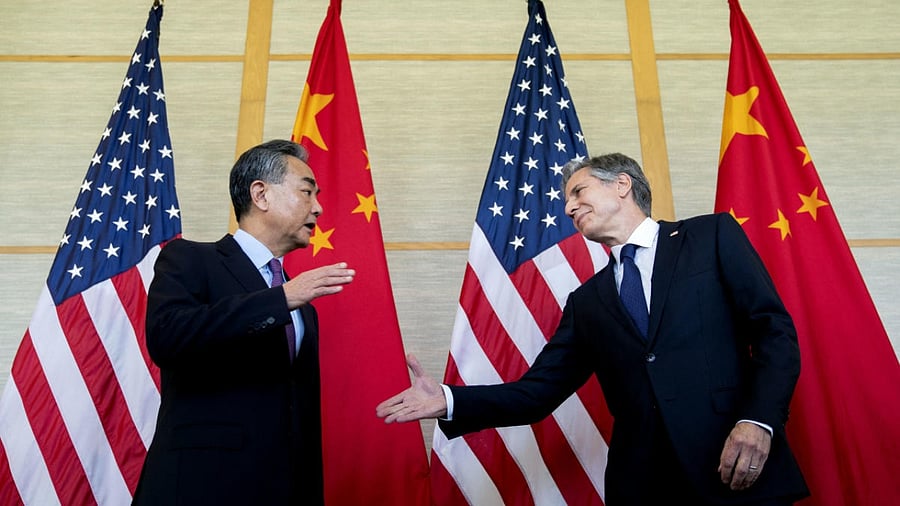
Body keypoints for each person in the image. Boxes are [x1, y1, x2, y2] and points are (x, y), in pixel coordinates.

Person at [377, 153, 810, 505]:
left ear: (622, 184)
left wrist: (759, 421)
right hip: (644, 486)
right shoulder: (586, 303)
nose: (568, 208)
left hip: (732, 465)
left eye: (578, 191)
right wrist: (449, 400)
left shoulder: (710, 236)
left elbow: (774, 332)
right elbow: (537, 393)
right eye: (566, 201)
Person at [132, 139, 355, 505]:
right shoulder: (190, 259)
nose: (318, 208)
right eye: (306, 192)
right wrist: (280, 299)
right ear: (261, 195)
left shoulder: (303, 308)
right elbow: (167, 336)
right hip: (199, 488)